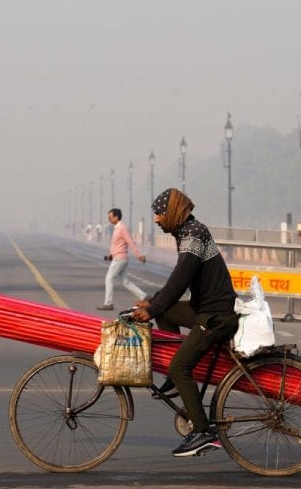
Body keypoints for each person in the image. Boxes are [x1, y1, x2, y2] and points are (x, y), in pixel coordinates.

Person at [131, 188, 239, 457]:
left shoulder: (193, 235)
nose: (156, 220)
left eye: (159, 213)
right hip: (204, 308)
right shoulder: (188, 232)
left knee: (180, 367)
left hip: (215, 316)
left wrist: (152, 309)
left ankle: (203, 432)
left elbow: (179, 280)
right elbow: (176, 280)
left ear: (173, 212)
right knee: (167, 313)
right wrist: (154, 303)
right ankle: (174, 376)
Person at [97, 208, 147, 310]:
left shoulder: (122, 228)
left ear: (116, 217)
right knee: (125, 282)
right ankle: (144, 296)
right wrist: (110, 254)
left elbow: (130, 242)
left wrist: (139, 255)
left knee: (109, 278)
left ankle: (108, 303)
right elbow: (116, 244)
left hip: (120, 258)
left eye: (110, 217)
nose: (109, 219)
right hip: (118, 257)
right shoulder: (117, 228)